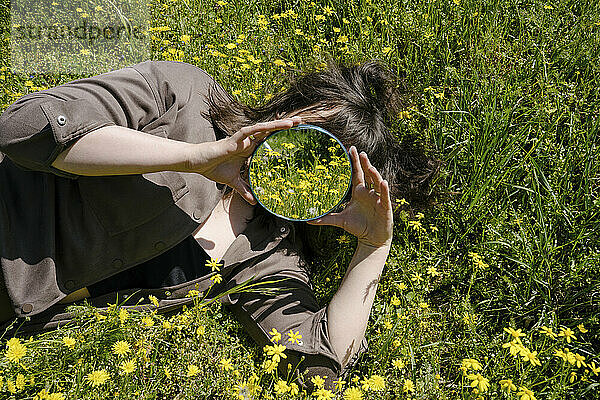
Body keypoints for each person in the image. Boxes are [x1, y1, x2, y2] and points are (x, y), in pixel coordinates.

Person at [0, 59, 440, 392]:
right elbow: (24, 127)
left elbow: (321, 365)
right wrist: (195, 157)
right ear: (289, 108)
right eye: (303, 137)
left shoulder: (268, 253)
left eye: (325, 167)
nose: (292, 160)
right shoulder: (185, 97)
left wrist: (374, 246)